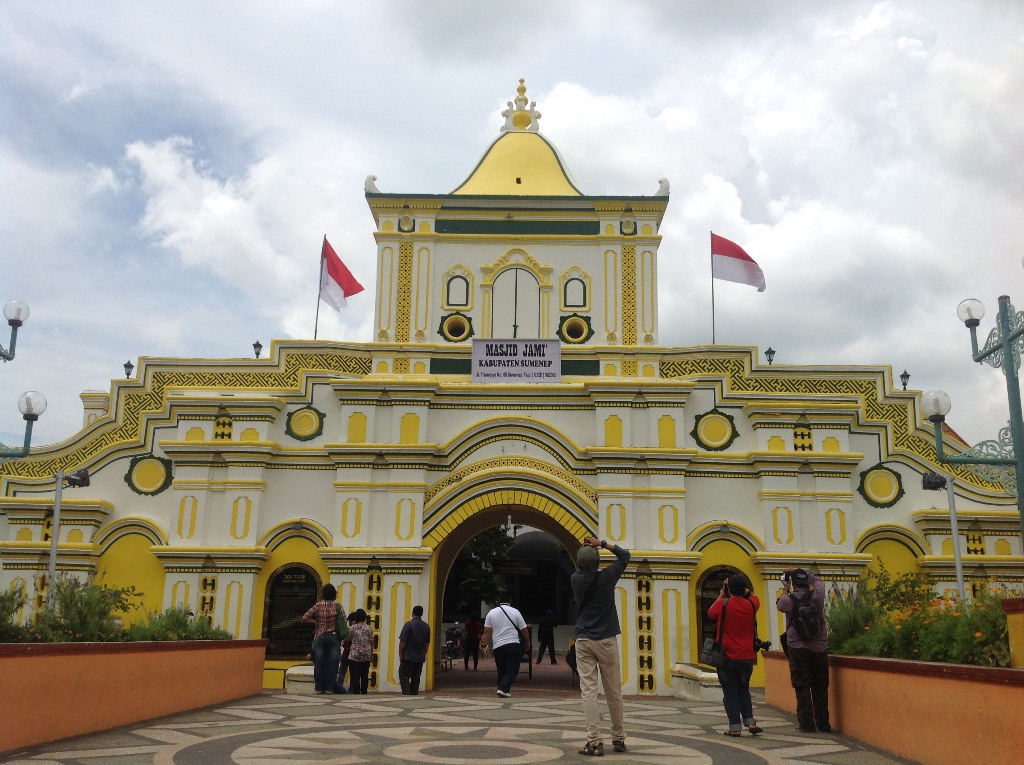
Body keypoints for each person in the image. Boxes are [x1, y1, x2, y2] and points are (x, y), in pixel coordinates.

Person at [572, 536, 630, 756]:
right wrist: (602, 544)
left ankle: (594, 742)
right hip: (606, 639)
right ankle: (618, 737)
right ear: (597, 563)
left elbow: (584, 566)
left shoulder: (575, 579)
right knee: (613, 691)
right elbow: (625, 556)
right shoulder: (607, 577)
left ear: (579, 564)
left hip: (584, 639)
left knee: (589, 692)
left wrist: (588, 552)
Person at [708, 574, 763, 737]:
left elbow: (710, 614)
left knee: (730, 691)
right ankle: (750, 722)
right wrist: (743, 589)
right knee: (744, 689)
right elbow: (753, 596)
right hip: (747, 656)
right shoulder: (752, 604)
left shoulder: (722, 604)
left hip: (727, 657)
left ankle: (735, 727)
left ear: (729, 589)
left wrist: (722, 594)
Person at [777, 568, 831, 733]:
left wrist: (786, 587)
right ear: (806, 582)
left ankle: (807, 724)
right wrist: (806, 573)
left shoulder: (788, 600)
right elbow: (819, 582)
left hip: (797, 647)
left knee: (802, 686)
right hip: (819, 646)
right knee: (820, 686)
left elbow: (779, 604)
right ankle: (823, 724)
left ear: (793, 583)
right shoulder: (818, 595)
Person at [480, 597, 530, 698]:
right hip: (513, 644)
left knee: (501, 669)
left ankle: (503, 690)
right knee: (513, 669)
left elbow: (486, 631)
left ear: (498, 600)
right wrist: (528, 642)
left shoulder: (491, 613)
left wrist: (483, 645)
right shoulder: (515, 612)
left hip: (498, 646)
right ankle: (503, 688)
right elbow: (524, 630)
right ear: (510, 600)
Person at [301, 583, 346, 695]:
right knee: (333, 664)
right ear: (334, 594)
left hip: (320, 636)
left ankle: (319, 688)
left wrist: (316, 622)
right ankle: (329, 688)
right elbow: (344, 621)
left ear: (323, 594)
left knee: (319, 663)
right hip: (334, 636)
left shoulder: (317, 606)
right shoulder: (338, 606)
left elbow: (305, 617)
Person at [398, 604, 431, 695]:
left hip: (408, 656)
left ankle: (406, 693)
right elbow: (427, 644)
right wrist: (424, 654)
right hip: (419, 657)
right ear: (422, 614)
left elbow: (403, 641)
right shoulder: (426, 627)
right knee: (416, 678)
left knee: (404, 675)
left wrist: (400, 654)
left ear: (412, 613)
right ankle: (413, 694)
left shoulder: (408, 625)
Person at [347, 609, 374, 694]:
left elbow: (349, 638)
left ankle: (356, 692)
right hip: (366, 654)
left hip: (355, 654)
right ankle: (364, 691)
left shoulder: (352, 628)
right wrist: (371, 653)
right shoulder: (368, 628)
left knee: (355, 675)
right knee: (364, 675)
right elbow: (371, 641)